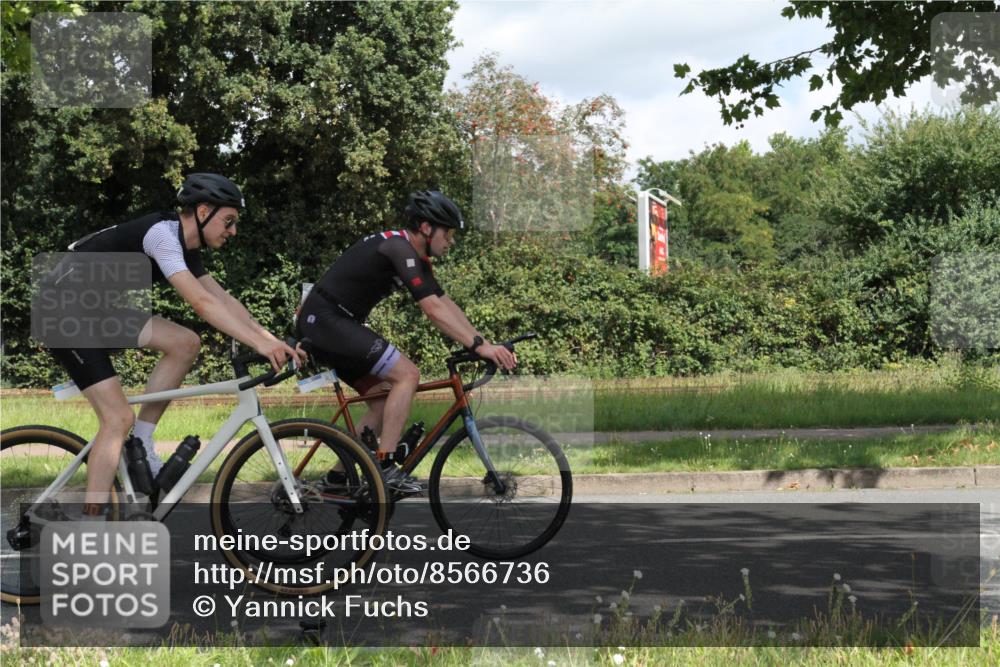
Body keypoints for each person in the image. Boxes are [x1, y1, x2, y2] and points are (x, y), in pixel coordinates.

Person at [46, 173, 304, 518]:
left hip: (94, 310)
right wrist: (257, 344)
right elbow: (200, 303)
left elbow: (224, 301)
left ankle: (141, 443)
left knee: (184, 343)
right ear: (203, 210)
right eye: (228, 221)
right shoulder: (162, 235)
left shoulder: (187, 247)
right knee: (116, 418)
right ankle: (91, 529)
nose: (233, 231)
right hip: (64, 311)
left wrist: (273, 341)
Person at [296, 190, 516, 493]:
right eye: (448, 232)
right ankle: (385, 467)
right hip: (327, 321)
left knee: (383, 400)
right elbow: (432, 309)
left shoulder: (414, 255)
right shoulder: (398, 248)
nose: (450, 240)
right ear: (426, 228)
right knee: (407, 374)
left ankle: (337, 477)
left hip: (331, 322)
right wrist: (478, 346)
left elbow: (444, 302)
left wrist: (482, 342)